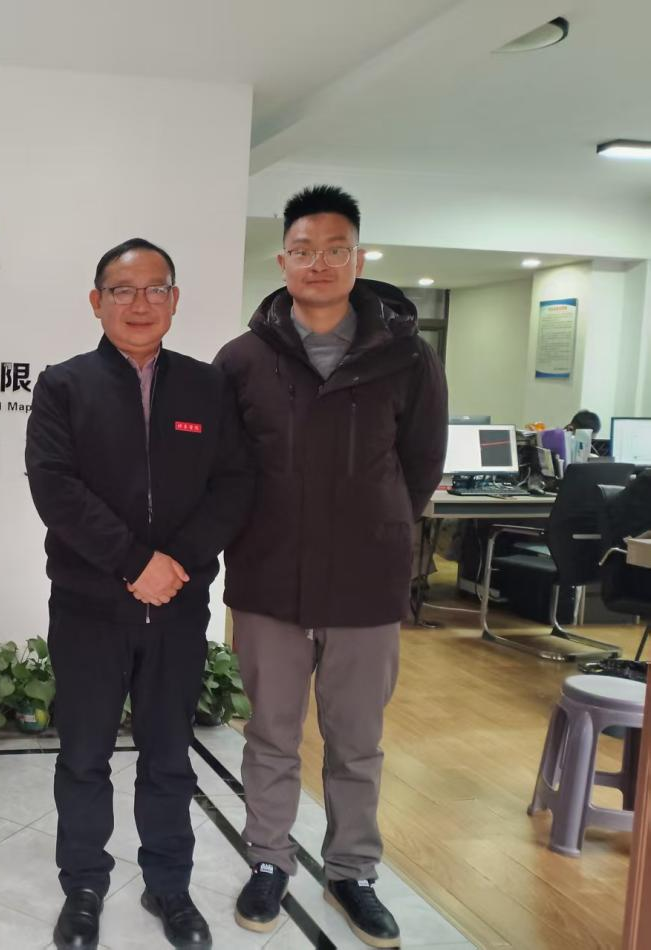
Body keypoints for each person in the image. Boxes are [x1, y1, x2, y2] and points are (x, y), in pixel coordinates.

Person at [213, 186, 447, 948]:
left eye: (334, 249)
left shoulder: (406, 357)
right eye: (303, 250)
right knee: (270, 734)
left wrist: (375, 528)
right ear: (282, 260)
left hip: (364, 585)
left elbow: (420, 464)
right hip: (268, 580)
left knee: (355, 740)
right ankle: (268, 860)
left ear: (358, 259)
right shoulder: (241, 360)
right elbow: (225, 469)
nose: (318, 263)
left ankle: (352, 872)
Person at [26, 238, 254, 950]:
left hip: (178, 607)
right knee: (83, 755)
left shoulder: (207, 387)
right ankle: (83, 885)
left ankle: (169, 885)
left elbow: (234, 484)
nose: (139, 304)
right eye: (122, 290)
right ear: (96, 302)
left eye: (156, 289)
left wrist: (173, 564)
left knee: (168, 756)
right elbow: (55, 489)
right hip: (87, 607)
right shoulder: (63, 385)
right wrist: (133, 563)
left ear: (174, 301)